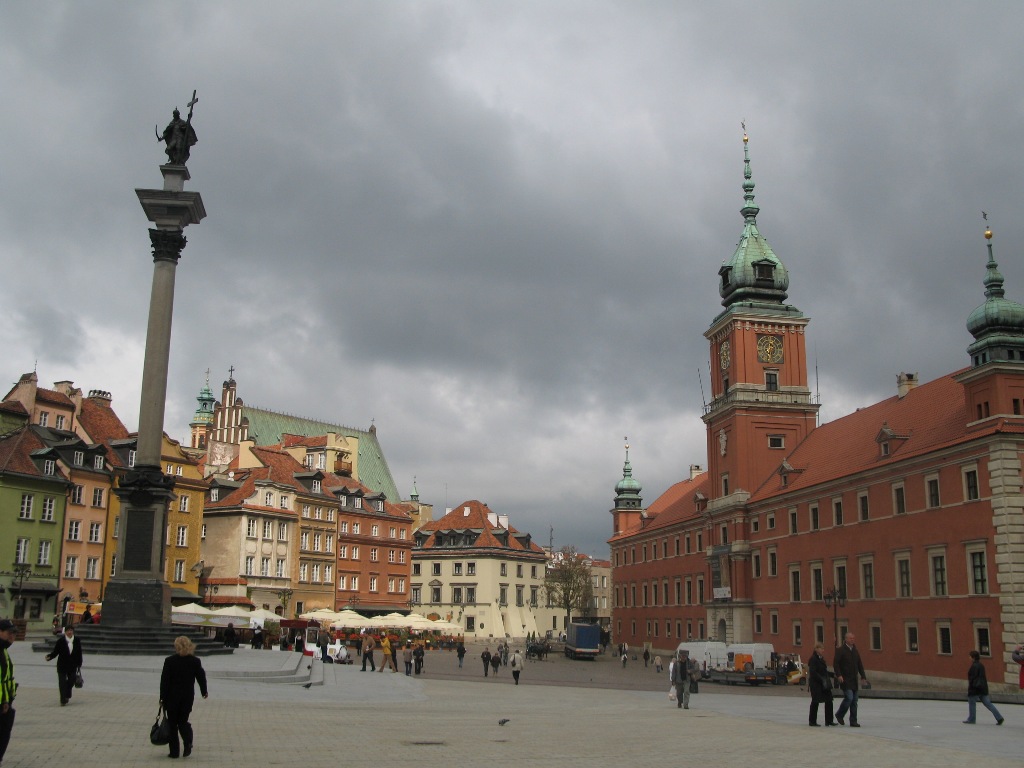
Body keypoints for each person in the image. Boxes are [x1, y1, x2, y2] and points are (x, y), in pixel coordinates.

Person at [159, 636, 208, 759]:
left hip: (171, 698)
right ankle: (188, 742)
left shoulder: (169, 661)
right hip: (187, 697)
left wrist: (162, 698)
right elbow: (201, 677)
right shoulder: (195, 661)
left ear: (176, 646)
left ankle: (174, 752)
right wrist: (204, 691)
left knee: (172, 724)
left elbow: (164, 682)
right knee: (183, 721)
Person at [833, 632, 868, 727]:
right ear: (846, 639)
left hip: (854, 679)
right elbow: (836, 664)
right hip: (845, 679)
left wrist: (863, 676)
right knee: (849, 698)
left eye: (853, 638)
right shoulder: (841, 650)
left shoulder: (855, 650)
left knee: (854, 701)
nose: (853, 640)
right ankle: (839, 714)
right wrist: (839, 675)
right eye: (851, 638)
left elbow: (859, 664)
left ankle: (853, 720)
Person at [45, 624, 83, 706]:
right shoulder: (61, 641)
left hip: (72, 665)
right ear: (65, 632)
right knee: (62, 683)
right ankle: (63, 699)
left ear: (73, 631)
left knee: (71, 680)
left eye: (71, 630)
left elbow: (79, 653)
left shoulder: (77, 640)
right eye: (68, 630)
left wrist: (79, 663)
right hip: (62, 665)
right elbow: (56, 652)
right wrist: (50, 656)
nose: (69, 632)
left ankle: (67, 693)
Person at [963, 650, 1004, 725]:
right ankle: (999, 717)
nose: (969, 657)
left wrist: (971, 688)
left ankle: (971, 719)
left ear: (973, 657)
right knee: (988, 704)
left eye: (970, 656)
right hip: (983, 688)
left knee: (972, 703)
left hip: (975, 689)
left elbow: (973, 678)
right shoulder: (981, 665)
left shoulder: (974, 666)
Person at [0, 619, 17, 765]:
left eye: (14, 634)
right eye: (9, 633)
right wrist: (4, 701)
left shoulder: (3, 650)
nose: (12, 636)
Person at [807, 643, 835, 726]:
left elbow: (824, 671)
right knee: (815, 701)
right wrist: (821, 679)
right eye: (821, 648)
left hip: (824, 684)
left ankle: (829, 720)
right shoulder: (813, 659)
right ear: (816, 649)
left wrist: (833, 675)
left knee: (829, 700)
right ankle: (812, 721)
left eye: (823, 649)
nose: (823, 650)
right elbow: (813, 672)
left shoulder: (821, 659)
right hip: (816, 684)